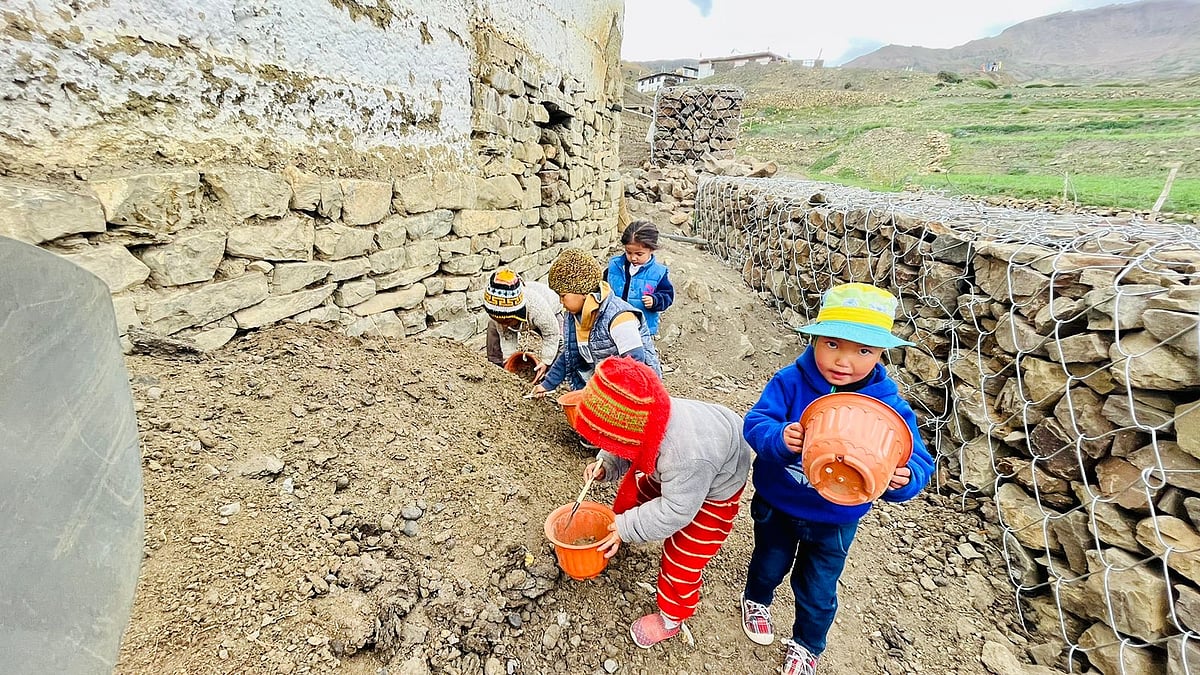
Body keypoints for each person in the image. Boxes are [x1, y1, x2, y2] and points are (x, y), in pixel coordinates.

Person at [739, 283, 934, 675]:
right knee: (769, 561)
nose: (844, 360)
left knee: (819, 587)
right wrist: (779, 438)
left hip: (837, 518)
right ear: (815, 339)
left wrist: (904, 477)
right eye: (832, 344)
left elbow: (918, 460)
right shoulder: (790, 382)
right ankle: (757, 599)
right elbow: (756, 422)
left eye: (862, 350)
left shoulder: (888, 405)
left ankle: (807, 644)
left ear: (881, 353)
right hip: (779, 501)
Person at [576, 356, 751, 648]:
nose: (606, 444)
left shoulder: (686, 457)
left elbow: (676, 512)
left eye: (607, 440)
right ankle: (626, 531)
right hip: (685, 463)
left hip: (717, 484)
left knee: (685, 553)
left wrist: (625, 526)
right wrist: (606, 463)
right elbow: (623, 443)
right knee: (644, 494)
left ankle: (672, 618)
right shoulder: (646, 418)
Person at [531, 248, 661, 395]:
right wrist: (547, 384)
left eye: (563, 295)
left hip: (637, 390)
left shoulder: (618, 316)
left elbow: (634, 362)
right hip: (606, 386)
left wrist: (604, 394)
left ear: (583, 292)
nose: (561, 302)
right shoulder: (575, 315)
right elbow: (571, 354)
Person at [482, 269, 562, 383]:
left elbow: (551, 334)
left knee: (562, 342)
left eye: (507, 322)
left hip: (552, 309)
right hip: (521, 317)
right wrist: (509, 359)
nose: (503, 325)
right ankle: (496, 367)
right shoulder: (499, 315)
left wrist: (545, 361)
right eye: (499, 321)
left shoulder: (538, 309)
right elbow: (507, 337)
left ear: (516, 314)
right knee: (492, 326)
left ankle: (549, 378)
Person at [604, 220, 674, 336]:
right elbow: (602, 287)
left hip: (642, 329)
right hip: (613, 323)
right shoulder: (614, 266)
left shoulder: (658, 273)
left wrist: (655, 300)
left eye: (639, 254)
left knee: (639, 354)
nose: (633, 258)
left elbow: (667, 296)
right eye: (629, 252)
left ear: (651, 249)